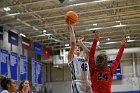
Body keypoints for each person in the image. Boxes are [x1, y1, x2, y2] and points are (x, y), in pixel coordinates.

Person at [67, 24, 92, 93]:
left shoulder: (83, 58)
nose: (77, 48)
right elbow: (73, 43)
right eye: (75, 48)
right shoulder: (71, 58)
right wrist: (72, 29)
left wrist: (81, 42)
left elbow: (88, 53)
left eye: (78, 48)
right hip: (77, 83)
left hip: (86, 82)